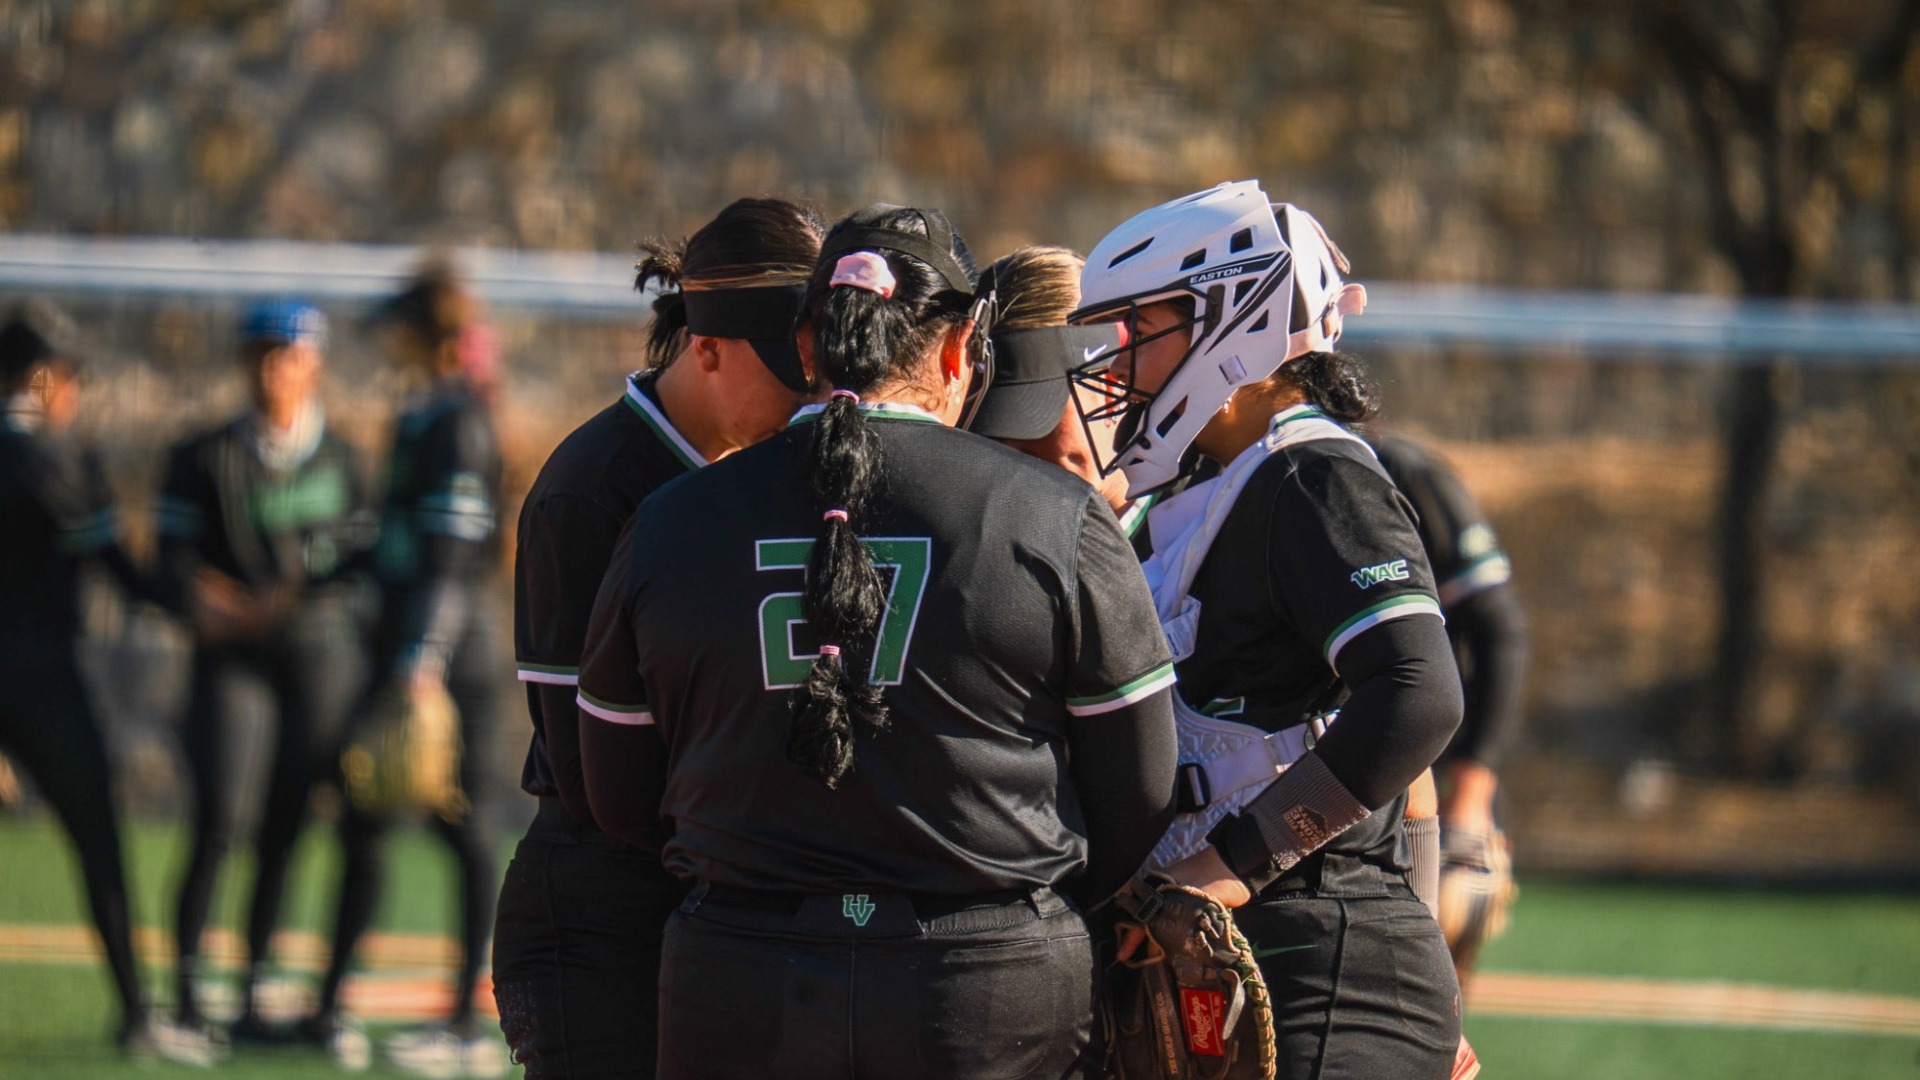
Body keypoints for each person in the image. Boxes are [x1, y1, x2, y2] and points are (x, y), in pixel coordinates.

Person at [575, 204, 1180, 1080]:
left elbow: (619, 793)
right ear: (961, 347)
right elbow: (1140, 790)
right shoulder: (1056, 516)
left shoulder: (667, 522)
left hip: (740, 976)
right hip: (984, 980)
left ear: (807, 347)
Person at [1069, 181, 1467, 1077]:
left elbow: (1419, 697)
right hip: (1232, 954)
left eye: (1142, 328)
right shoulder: (1209, 490)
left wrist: (1229, 864)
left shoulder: (1312, 479)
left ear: (1232, 319)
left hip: (1326, 956)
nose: (1118, 359)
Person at [493, 196, 825, 1080]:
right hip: (606, 914)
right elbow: (587, 766)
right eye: (793, 374)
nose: (816, 399)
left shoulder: (778, 475)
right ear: (706, 348)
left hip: (721, 898)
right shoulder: (591, 489)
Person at [301, 263, 506, 1075]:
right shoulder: (424, 413)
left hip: (448, 666)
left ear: (429, 334)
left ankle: (466, 1022)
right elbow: (395, 541)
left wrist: (420, 665)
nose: (389, 341)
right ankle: (331, 1006)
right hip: (408, 655)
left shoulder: (462, 419)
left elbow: (452, 559)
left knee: (466, 834)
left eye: (400, 328)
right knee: (368, 823)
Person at [156, 299, 374, 1043]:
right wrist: (212, 599)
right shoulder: (202, 453)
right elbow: (171, 559)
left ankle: (253, 991)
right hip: (232, 655)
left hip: (317, 657)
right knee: (221, 817)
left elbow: (359, 554)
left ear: (315, 364)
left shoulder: (343, 455)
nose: (275, 369)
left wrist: (297, 595)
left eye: (291, 355)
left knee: (290, 822)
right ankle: (185, 994)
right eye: (262, 354)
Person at [0, 315, 213, 1064]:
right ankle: (136, 1013)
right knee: (97, 840)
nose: (77, 395)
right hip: (41, 680)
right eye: (74, 379)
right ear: (43, 378)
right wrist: (200, 602)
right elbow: (119, 570)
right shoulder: (55, 457)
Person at [1370, 432, 1527, 988]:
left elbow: (1500, 631)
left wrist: (1472, 794)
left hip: (1424, 782)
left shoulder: (1396, 470)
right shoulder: (1225, 471)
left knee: (1429, 999)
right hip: (1316, 783)